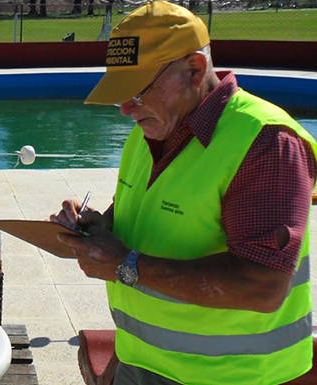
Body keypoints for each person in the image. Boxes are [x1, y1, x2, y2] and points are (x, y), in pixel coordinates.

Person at [50, 2, 315, 384]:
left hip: (234, 376)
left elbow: (263, 286)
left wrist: (127, 265)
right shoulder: (150, 131)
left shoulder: (265, 142)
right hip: (141, 362)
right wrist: (99, 225)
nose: (125, 108)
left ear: (194, 69)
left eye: (138, 90)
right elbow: (150, 212)